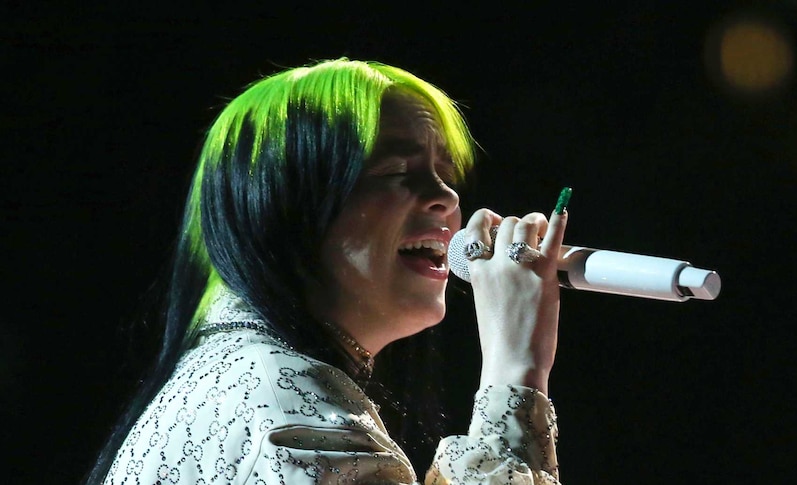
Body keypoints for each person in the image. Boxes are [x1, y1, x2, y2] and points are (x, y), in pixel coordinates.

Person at [85, 57, 569, 484]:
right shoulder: (286, 405)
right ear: (282, 204)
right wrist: (514, 371)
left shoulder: (245, 377)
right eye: (396, 171)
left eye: (445, 173)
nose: (447, 198)